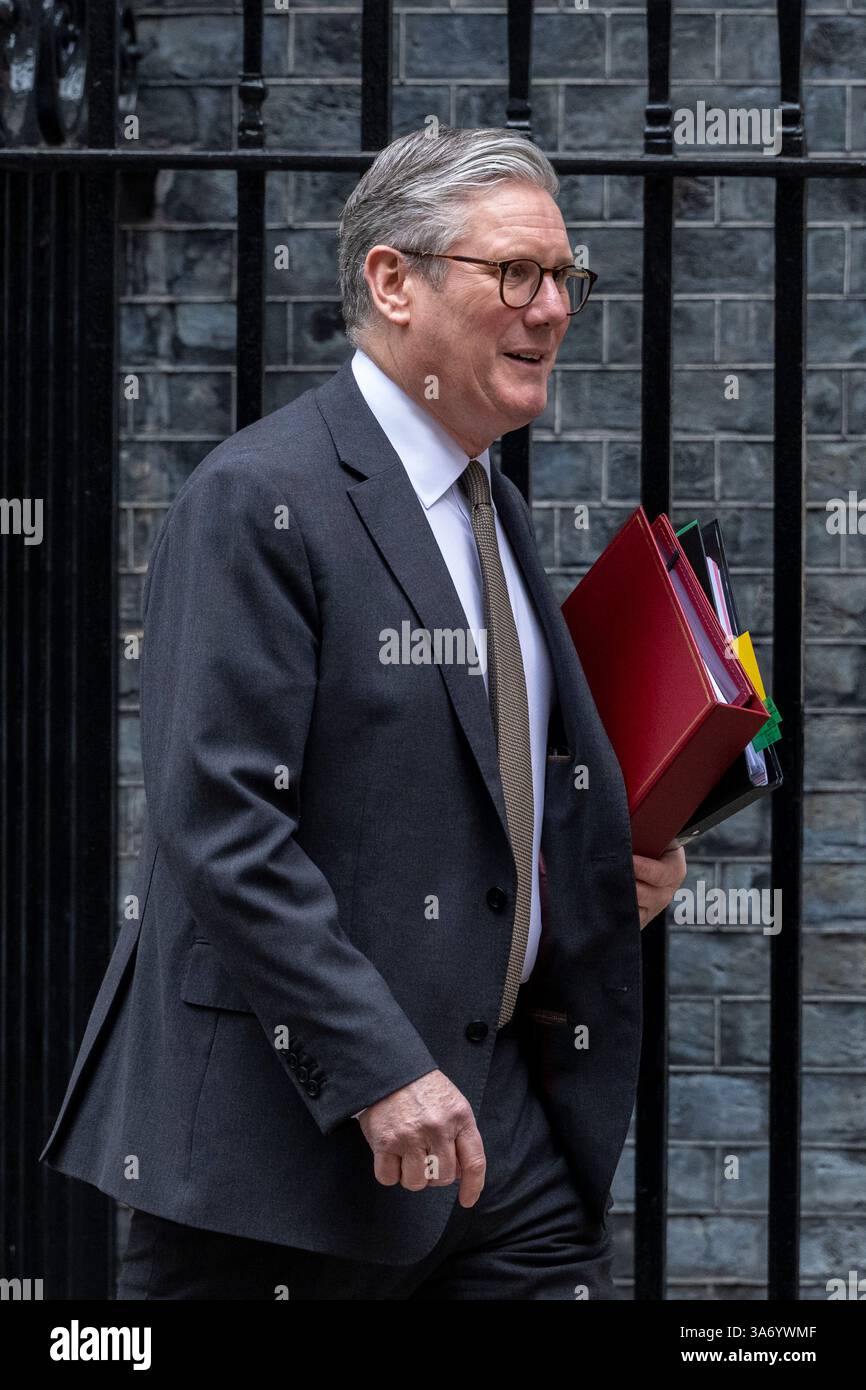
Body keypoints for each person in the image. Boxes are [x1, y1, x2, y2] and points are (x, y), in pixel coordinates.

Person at [39, 125, 686, 1300]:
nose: (551, 310)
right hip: (281, 1151)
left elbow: (451, 782)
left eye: (564, 280)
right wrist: (380, 1067)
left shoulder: (492, 509)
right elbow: (220, 820)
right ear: (392, 280)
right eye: (515, 274)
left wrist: (591, 863)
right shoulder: (257, 497)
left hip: (494, 1144)